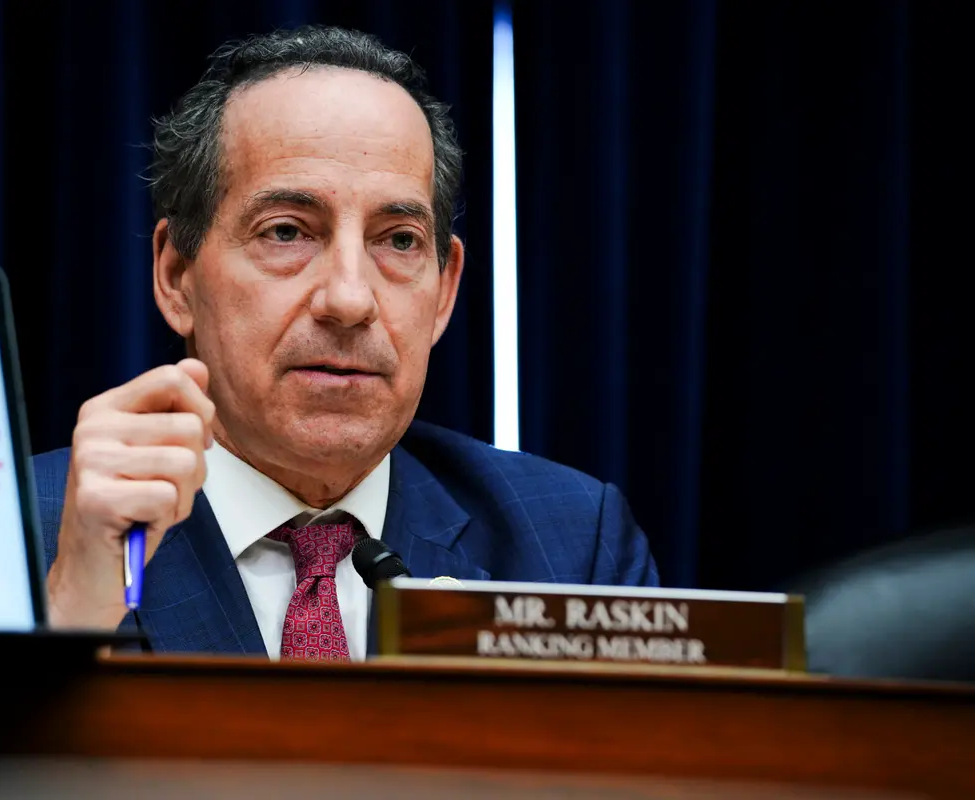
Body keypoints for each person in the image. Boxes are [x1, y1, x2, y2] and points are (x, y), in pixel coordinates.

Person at [33, 25, 659, 658]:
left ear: (443, 293)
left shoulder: (571, 543)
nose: (350, 299)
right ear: (176, 275)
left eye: (399, 240)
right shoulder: (14, 534)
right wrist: (72, 610)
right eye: (286, 232)